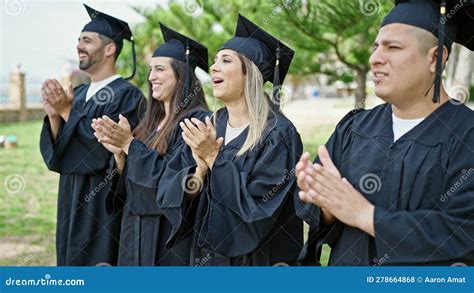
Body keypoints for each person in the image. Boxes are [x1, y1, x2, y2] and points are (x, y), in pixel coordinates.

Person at [295, 0, 474, 265]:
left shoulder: (467, 135)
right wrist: (326, 203)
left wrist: (366, 215)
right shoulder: (355, 128)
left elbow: (463, 233)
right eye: (376, 46)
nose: (375, 58)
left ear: (436, 58)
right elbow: (314, 215)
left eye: (393, 47)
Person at [157, 14, 303, 266]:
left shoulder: (278, 134)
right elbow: (168, 191)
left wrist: (214, 158)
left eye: (225, 61)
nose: (213, 67)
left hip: (257, 264)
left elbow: (258, 214)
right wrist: (198, 173)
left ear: (251, 74)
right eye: (214, 61)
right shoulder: (207, 126)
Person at [91, 23, 210, 266]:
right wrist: (121, 157)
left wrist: (130, 145)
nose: (151, 77)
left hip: (166, 234)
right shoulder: (149, 122)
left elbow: (177, 180)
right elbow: (131, 185)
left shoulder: (195, 121)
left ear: (181, 76)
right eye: (149, 70)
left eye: (159, 69)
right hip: (132, 229)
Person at [39, 4, 144, 266]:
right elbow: (59, 156)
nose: (79, 46)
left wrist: (67, 111)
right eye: (78, 40)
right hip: (70, 197)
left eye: (87, 40)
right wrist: (55, 116)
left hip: (101, 203)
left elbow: (102, 151)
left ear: (109, 49)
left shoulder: (128, 96)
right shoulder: (81, 94)